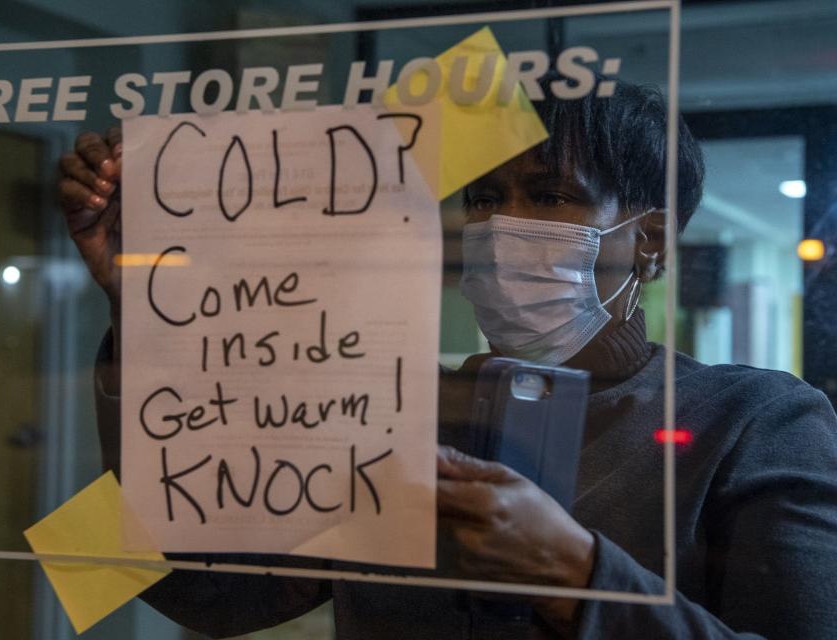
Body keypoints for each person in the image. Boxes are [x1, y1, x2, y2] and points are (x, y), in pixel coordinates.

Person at [58, 80, 837, 639]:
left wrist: (577, 574)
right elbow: (200, 594)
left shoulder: (757, 420)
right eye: (484, 198)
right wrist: (149, 307)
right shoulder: (394, 408)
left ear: (650, 241)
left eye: (551, 195)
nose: (502, 226)